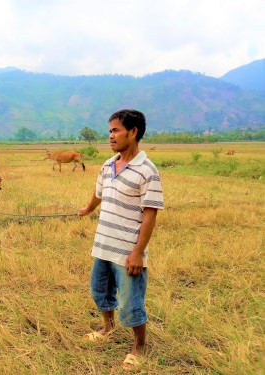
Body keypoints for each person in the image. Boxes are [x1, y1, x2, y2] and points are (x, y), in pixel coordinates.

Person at [78, 109, 164, 371]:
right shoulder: (107, 165)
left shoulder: (148, 172)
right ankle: (108, 328)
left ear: (133, 132)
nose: (111, 136)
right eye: (110, 131)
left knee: (130, 302)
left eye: (115, 130)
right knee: (99, 291)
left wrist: (138, 252)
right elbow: (98, 193)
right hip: (103, 244)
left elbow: (150, 215)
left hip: (128, 251)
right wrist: (88, 209)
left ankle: (139, 346)